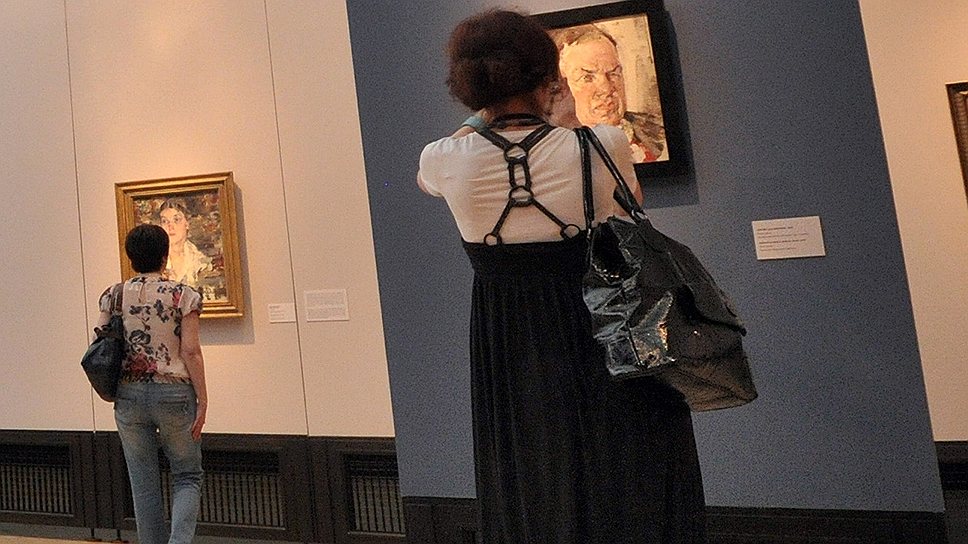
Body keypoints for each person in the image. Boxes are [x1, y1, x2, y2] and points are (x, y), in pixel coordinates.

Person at [417, 9, 706, 543]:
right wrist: (560, 115)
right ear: (548, 77)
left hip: (510, 340)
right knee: (625, 463)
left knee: (533, 467)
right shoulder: (602, 144)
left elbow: (441, 163)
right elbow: (632, 205)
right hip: (603, 324)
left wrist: (486, 111)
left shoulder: (443, 159)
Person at [96, 223, 208, 544]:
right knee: (187, 475)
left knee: (143, 483)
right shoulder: (183, 295)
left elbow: (100, 341)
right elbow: (190, 351)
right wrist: (203, 399)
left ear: (130, 257)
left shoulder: (113, 295)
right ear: (164, 255)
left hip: (129, 394)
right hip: (175, 393)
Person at [553, 24, 668, 163]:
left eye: (613, 74)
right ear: (560, 89)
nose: (606, 89)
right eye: (587, 78)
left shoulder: (660, 136)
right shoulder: (553, 152)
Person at [159, 198, 212, 288]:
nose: (170, 226)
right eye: (165, 221)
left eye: (176, 220)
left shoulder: (199, 261)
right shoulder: (156, 261)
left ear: (187, 224)